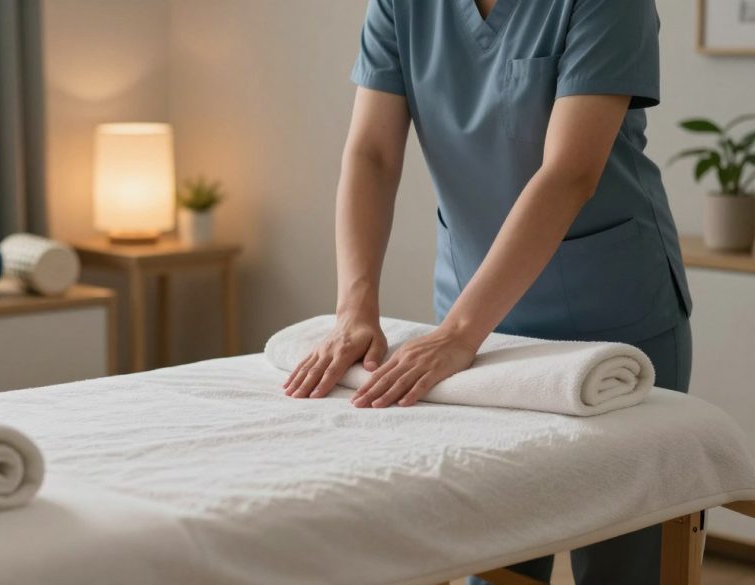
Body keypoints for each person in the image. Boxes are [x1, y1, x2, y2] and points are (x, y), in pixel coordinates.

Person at [282, 0, 693, 583]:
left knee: (619, 561)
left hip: (611, 317)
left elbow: (571, 169)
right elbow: (371, 152)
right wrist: (354, 309)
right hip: (478, 333)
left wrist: (457, 332)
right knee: (492, 551)